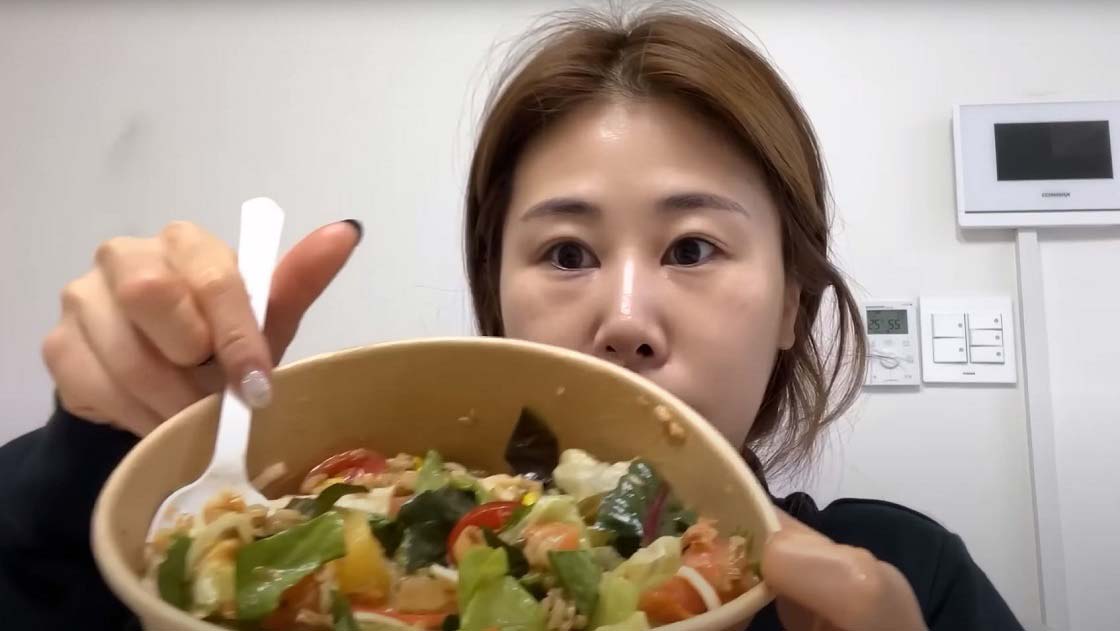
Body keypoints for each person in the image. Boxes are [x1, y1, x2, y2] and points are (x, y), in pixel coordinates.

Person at [0, 6, 1022, 631]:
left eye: (693, 249)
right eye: (567, 254)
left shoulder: (908, 577)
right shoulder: (345, 533)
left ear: (793, 301)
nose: (626, 319)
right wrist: (103, 459)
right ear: (498, 300)